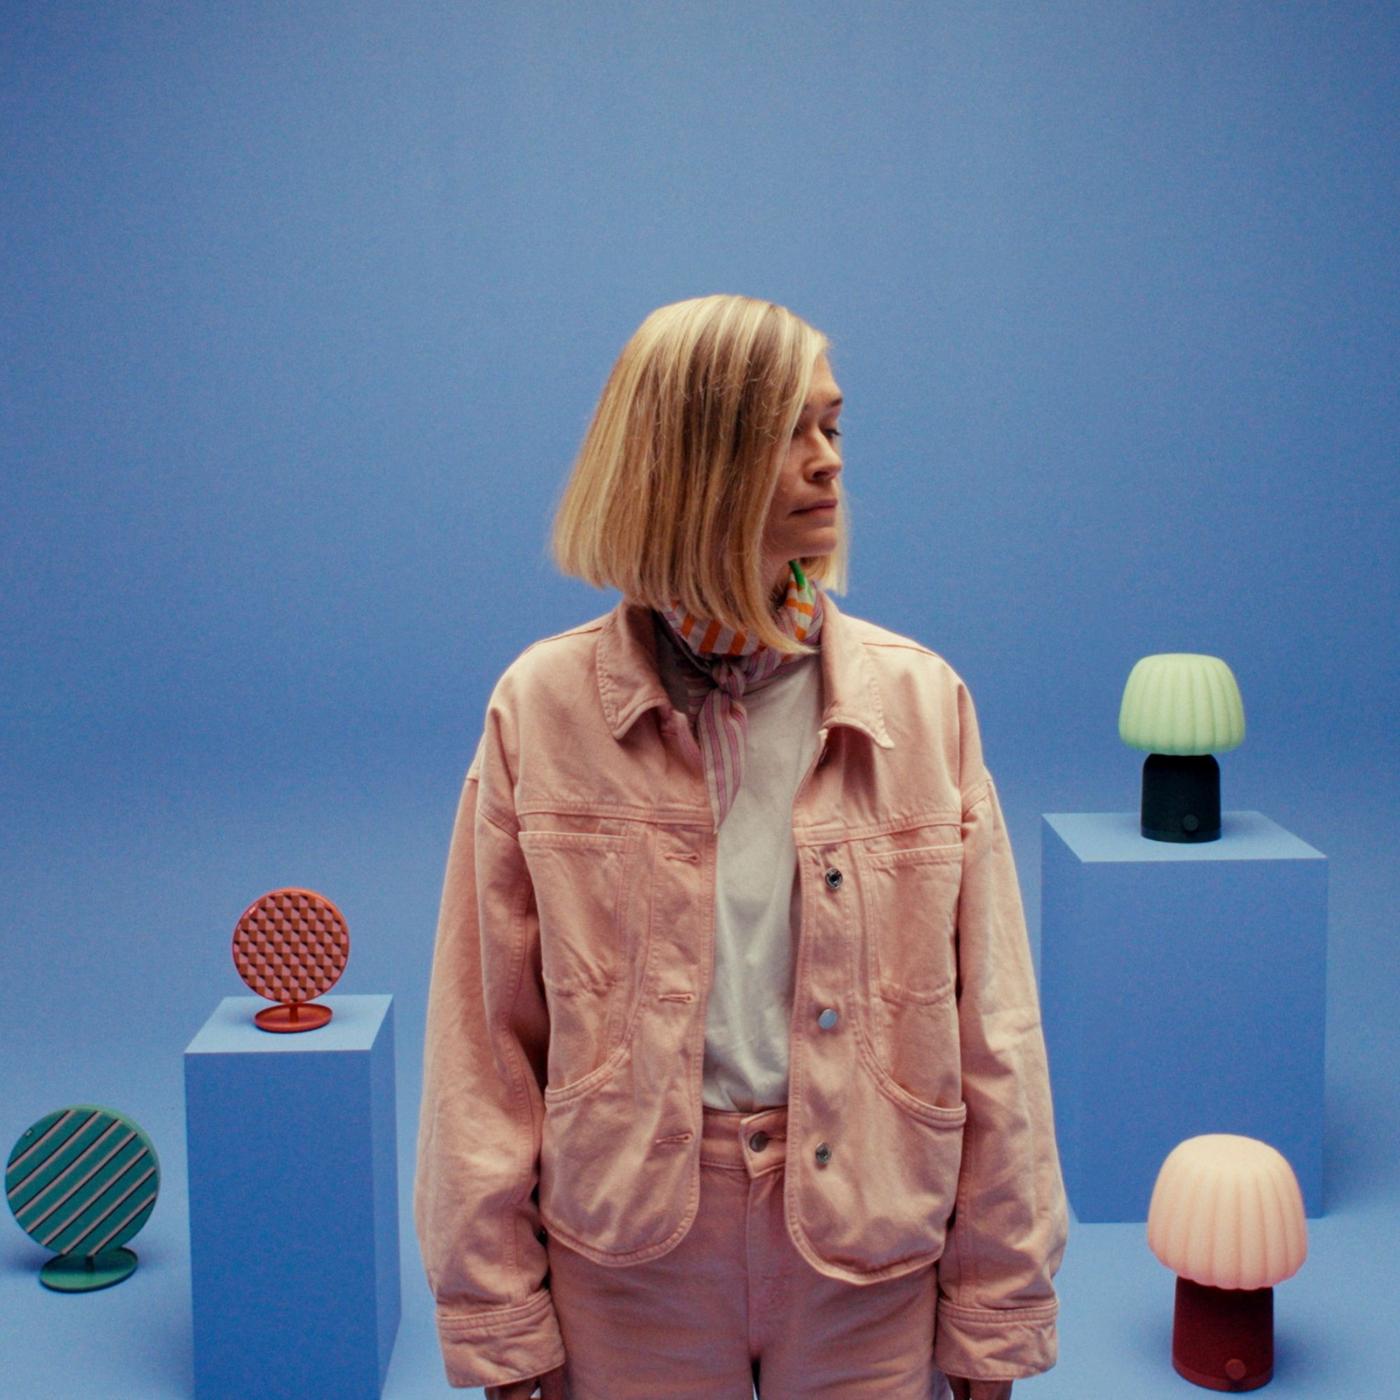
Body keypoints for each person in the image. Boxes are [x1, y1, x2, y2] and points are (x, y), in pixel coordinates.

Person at [414, 294, 1068, 1399]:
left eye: (833, 426)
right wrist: (497, 1314)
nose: (828, 461)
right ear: (688, 457)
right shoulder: (542, 708)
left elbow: (994, 1028)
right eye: (787, 431)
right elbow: (484, 1042)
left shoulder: (921, 703)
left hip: (871, 1243)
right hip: (631, 1259)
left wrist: (998, 1304)